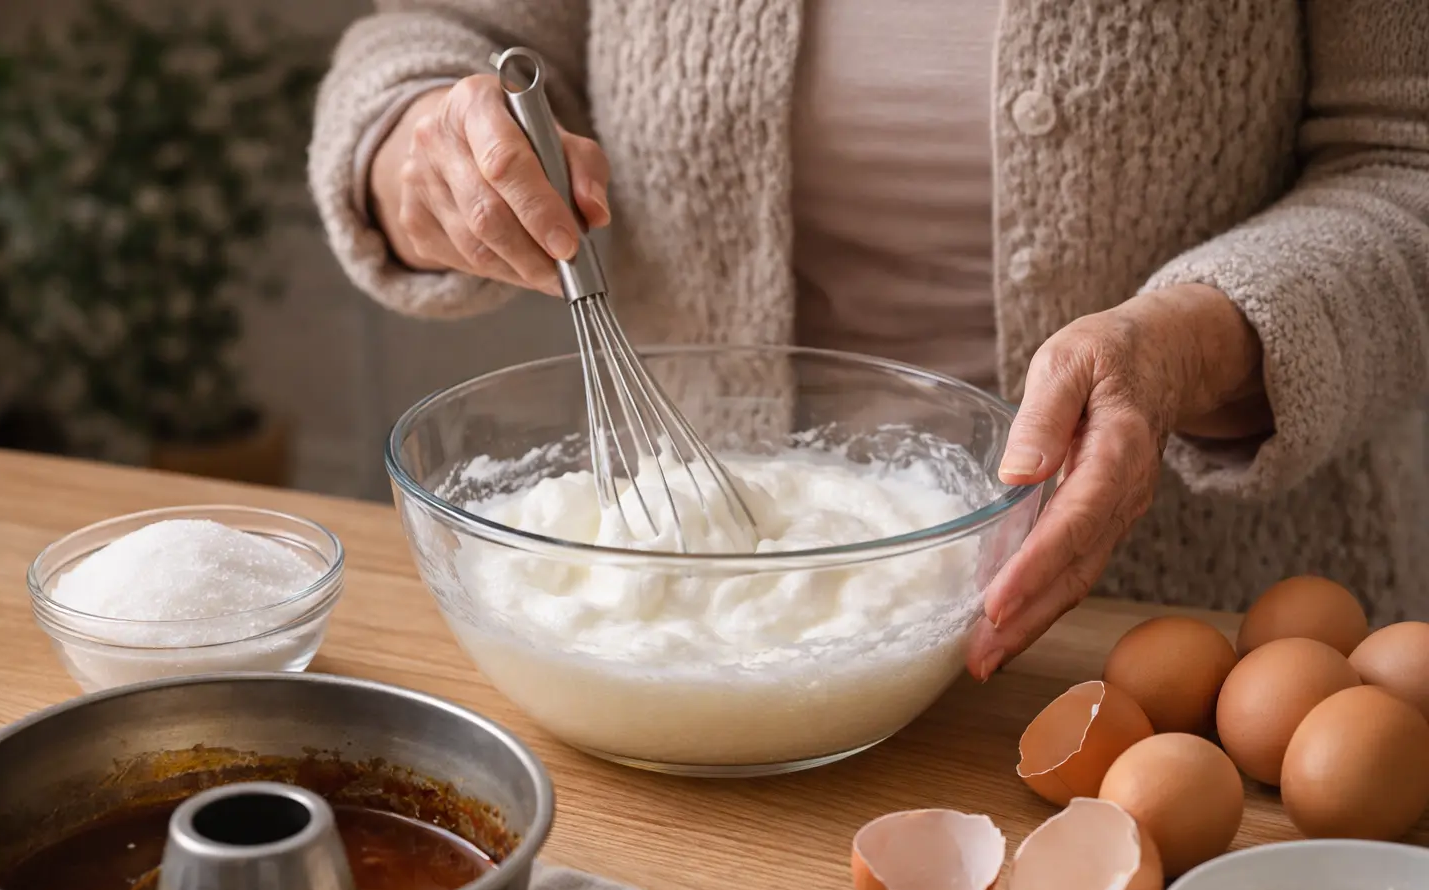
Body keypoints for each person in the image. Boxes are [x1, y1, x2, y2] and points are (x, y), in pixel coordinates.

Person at [309, 1, 1429, 679]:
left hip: (1185, 632)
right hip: (673, 616)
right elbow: (443, 35)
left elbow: (1405, 160)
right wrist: (416, 140)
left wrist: (1181, 349)